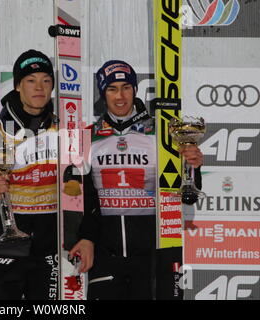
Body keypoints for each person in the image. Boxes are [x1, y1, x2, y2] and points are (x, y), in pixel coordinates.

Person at [69, 60, 204, 300]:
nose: (120, 96)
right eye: (112, 89)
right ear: (103, 93)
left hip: (153, 255)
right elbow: (82, 198)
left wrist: (192, 166)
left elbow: (189, 195)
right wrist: (86, 237)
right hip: (106, 255)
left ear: (134, 90)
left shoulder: (160, 134)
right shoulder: (87, 136)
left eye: (126, 87)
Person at [0, 49, 59, 300]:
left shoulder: (64, 130)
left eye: (46, 81)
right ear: (17, 86)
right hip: (2, 247)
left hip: (49, 248)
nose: (39, 88)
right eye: (31, 81)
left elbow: (80, 189)